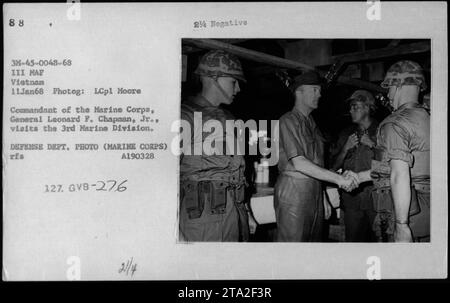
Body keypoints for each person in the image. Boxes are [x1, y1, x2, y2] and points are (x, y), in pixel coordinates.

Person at [351, 60, 430, 242]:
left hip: (409, 214)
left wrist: (401, 225)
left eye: (389, 88)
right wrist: (360, 177)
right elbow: (393, 167)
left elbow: (399, 174)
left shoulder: (394, 123)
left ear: (397, 85)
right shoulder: (430, 117)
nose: (389, 94)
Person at [275, 71, 358, 242]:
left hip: (313, 193)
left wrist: (323, 197)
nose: (319, 94)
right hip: (294, 193)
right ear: (299, 92)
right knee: (294, 249)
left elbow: (316, 164)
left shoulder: (311, 123)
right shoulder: (288, 121)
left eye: (319, 90)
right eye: (314, 89)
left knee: (313, 244)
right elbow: (299, 163)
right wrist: (339, 179)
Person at [179, 50, 250, 242]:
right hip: (200, 219)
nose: (238, 90)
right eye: (233, 82)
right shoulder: (185, 117)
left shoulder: (230, 119)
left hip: (233, 213)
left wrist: (245, 210)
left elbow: (237, 169)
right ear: (213, 78)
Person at [331, 90, 379, 242]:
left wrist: (373, 145)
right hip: (351, 200)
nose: (351, 110)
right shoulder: (346, 134)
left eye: (355, 107)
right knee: (353, 243)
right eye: (351, 107)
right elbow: (333, 167)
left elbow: (392, 162)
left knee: (380, 242)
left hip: (376, 199)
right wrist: (345, 148)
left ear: (367, 107)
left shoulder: (383, 130)